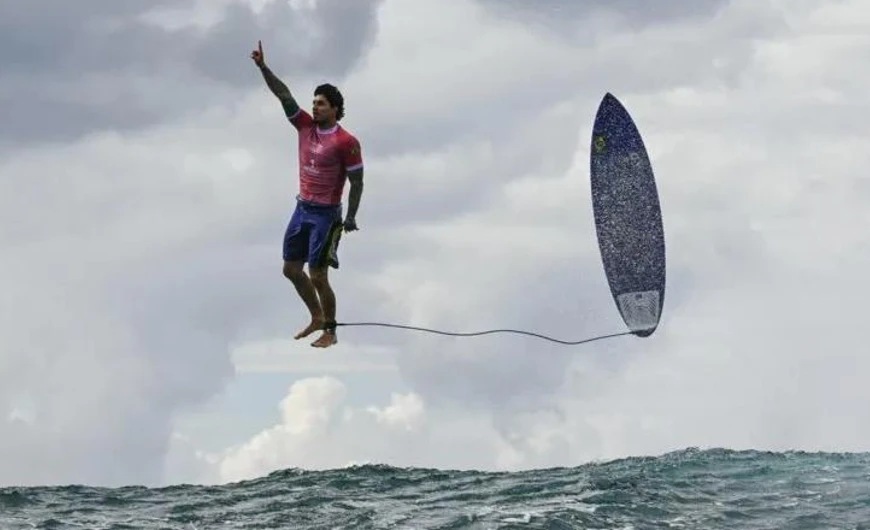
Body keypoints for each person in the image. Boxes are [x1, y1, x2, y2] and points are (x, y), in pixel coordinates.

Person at [250, 40, 364, 348]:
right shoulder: (304, 126)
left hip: (326, 215)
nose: (315, 107)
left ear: (336, 110)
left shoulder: (346, 141)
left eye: (321, 104)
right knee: (290, 269)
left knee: (318, 275)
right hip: (302, 208)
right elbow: (283, 94)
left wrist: (350, 216)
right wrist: (263, 67)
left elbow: (358, 181)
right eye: (314, 102)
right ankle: (315, 316)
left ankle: (330, 329)